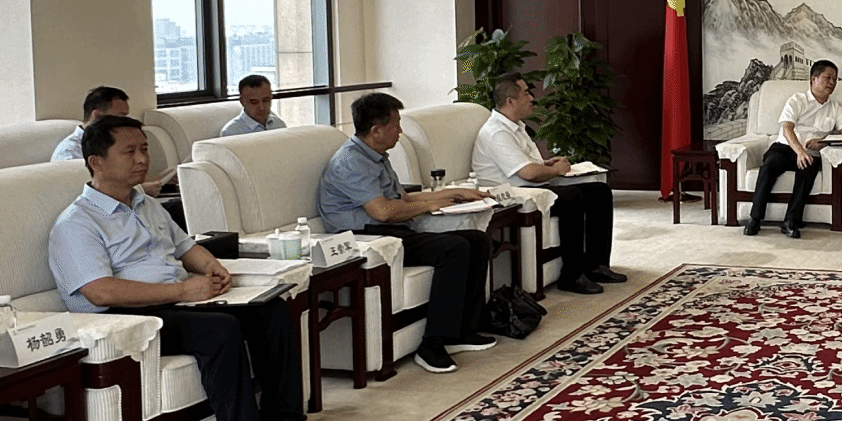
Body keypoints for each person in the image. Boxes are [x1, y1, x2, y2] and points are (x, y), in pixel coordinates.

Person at [48, 116, 323, 421]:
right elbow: (100, 291)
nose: (142, 159)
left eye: (144, 149)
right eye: (129, 152)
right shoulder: (76, 223)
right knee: (219, 329)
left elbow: (185, 247)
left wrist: (211, 266)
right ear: (96, 162)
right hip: (128, 317)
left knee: (270, 309)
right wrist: (182, 290)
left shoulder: (146, 204)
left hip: (176, 302)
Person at [318, 93, 498, 375]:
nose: (400, 131)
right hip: (368, 238)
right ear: (376, 130)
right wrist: (432, 205)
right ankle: (432, 344)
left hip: (389, 230)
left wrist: (455, 194)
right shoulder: (351, 162)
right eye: (396, 124)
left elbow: (403, 198)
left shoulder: (376, 157)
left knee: (477, 239)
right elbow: (383, 212)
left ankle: (462, 331)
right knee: (455, 248)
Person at [471, 72, 622, 295]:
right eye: (526, 93)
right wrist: (556, 170)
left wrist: (546, 164)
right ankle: (571, 276)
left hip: (528, 187)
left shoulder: (515, 126)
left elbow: (527, 164)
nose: (532, 98)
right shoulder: (496, 133)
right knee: (572, 197)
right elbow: (528, 173)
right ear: (510, 101)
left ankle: (596, 265)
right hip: (511, 194)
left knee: (599, 191)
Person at [744, 59, 842, 239]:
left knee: (808, 169)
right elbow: (787, 128)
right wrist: (800, 152)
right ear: (813, 79)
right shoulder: (797, 100)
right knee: (769, 166)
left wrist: (824, 141)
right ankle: (755, 218)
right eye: (827, 78)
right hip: (785, 148)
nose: (832, 82)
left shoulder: (835, 108)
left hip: (811, 153)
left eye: (835, 79)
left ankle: (791, 221)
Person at [54, 86, 165, 197]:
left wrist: (158, 179)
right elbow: (73, 192)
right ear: (97, 116)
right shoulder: (69, 152)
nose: (124, 122)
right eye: (120, 117)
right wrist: (141, 190)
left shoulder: (119, 141)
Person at [220, 74, 286, 135]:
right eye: (254, 102)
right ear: (242, 102)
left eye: (266, 100)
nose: (262, 107)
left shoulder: (279, 124)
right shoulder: (231, 132)